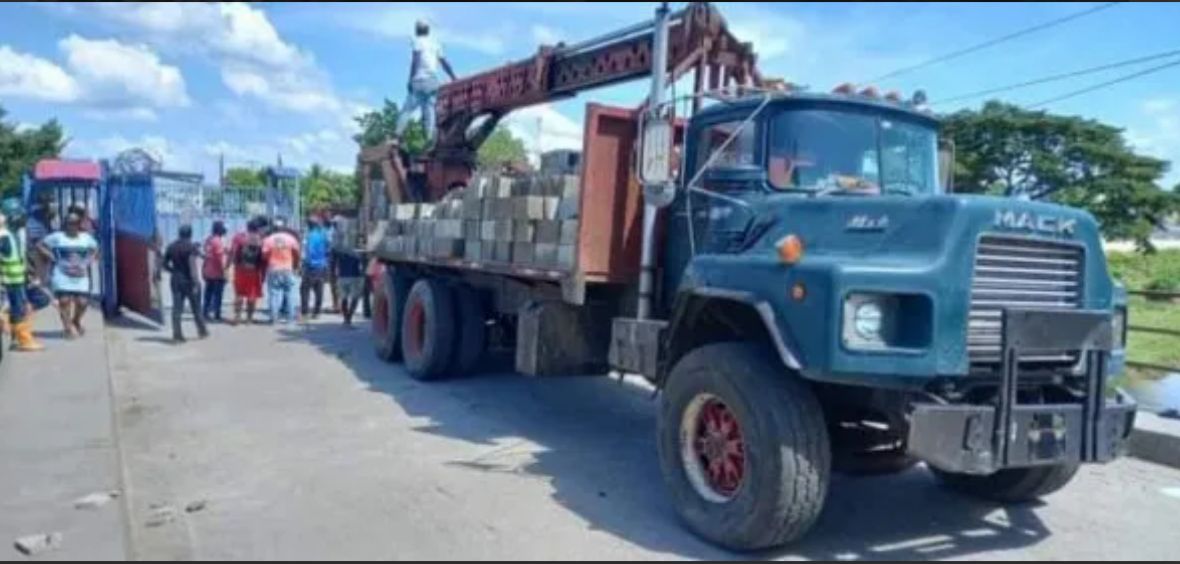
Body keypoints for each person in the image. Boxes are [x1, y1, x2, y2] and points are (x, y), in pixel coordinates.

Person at [394, 19, 457, 145]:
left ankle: (397, 136)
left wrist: (410, 79)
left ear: (417, 30)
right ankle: (429, 139)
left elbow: (415, 61)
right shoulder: (435, 43)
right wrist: (453, 77)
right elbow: (444, 63)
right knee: (429, 111)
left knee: (407, 109)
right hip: (432, 81)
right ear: (428, 30)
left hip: (419, 80)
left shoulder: (417, 41)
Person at [38, 213, 99, 339]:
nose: (72, 226)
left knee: (82, 302)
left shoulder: (86, 238)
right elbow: (40, 245)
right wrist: (52, 257)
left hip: (80, 275)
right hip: (62, 274)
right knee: (64, 301)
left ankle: (76, 320)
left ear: (79, 225)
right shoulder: (57, 237)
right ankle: (67, 328)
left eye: (74, 223)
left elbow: (95, 249)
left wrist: (88, 261)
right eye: (69, 223)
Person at [0, 199, 45, 352]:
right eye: (20, 215)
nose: (24, 218)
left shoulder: (12, 234)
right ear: (13, 217)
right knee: (19, 310)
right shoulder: (4, 236)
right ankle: (24, 340)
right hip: (9, 281)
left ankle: (16, 338)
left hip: (17, 280)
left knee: (18, 309)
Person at [162, 225, 209, 343]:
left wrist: (173, 271)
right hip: (189, 281)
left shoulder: (171, 246)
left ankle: (177, 334)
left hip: (176, 279)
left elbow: (164, 264)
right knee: (196, 308)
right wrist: (195, 282)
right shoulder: (191, 247)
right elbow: (192, 265)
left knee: (177, 308)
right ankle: (202, 331)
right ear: (190, 234)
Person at [263, 219, 301, 325]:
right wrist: (295, 265)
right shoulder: (291, 239)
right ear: (284, 227)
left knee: (274, 294)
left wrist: (271, 260)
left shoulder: (268, 239)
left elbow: (264, 255)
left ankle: (274, 319)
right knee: (290, 293)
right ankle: (291, 319)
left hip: (273, 268)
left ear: (274, 228)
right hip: (288, 268)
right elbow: (297, 253)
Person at [300, 216, 330, 319]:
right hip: (322, 265)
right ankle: (317, 312)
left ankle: (305, 313)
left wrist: (303, 265)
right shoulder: (323, 235)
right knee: (319, 289)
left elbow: (309, 252)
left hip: (311, 266)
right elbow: (328, 249)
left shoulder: (310, 236)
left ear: (309, 225)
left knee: (305, 289)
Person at [202, 221, 230, 322]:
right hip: (217, 272)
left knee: (208, 294)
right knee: (218, 295)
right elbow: (219, 259)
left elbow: (206, 253)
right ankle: (217, 315)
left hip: (208, 270)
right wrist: (224, 272)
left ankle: (205, 313)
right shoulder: (218, 241)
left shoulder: (209, 239)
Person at [333, 248, 365, 328]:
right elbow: (361, 265)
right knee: (355, 298)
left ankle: (346, 319)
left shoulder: (340, 251)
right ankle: (349, 318)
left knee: (344, 299)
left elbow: (334, 263)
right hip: (354, 276)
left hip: (342, 277)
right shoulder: (357, 251)